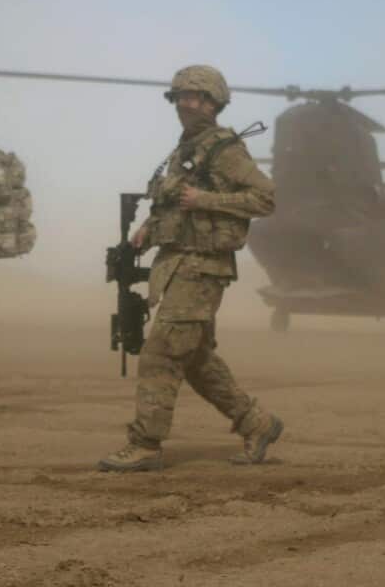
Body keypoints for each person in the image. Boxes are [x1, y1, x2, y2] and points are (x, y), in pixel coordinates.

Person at [98, 64, 284, 472]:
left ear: (214, 103)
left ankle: (146, 443)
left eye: (195, 97)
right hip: (177, 263)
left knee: (160, 354)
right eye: (180, 97)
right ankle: (258, 423)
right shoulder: (186, 149)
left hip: (202, 268)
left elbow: (266, 198)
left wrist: (206, 201)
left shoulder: (226, 149)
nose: (186, 104)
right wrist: (149, 227)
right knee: (195, 361)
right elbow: (173, 202)